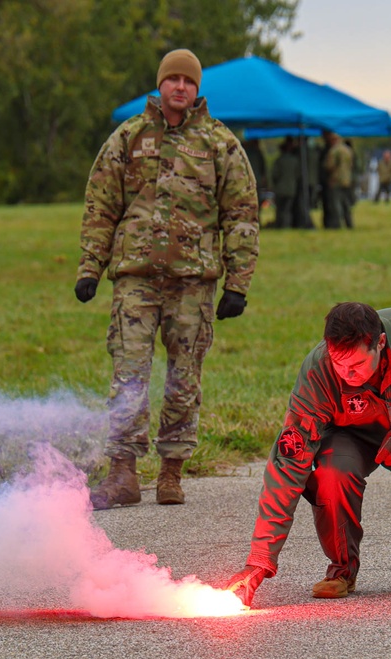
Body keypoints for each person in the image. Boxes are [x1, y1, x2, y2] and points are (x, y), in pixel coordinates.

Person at [74, 48, 260, 510]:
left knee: (184, 378)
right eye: (172, 79)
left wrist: (238, 282)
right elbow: (101, 205)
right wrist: (90, 268)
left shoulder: (220, 144)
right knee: (129, 374)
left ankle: (172, 472)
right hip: (135, 279)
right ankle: (122, 472)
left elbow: (242, 212)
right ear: (160, 84)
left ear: (198, 89)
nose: (180, 87)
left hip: (192, 283)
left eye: (188, 81)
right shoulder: (129, 137)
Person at [226, 302, 391, 607]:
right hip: (349, 434)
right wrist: (260, 560)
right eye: (340, 364)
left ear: (380, 343)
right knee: (332, 474)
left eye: (358, 364)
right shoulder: (318, 372)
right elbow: (287, 465)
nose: (348, 374)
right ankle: (341, 570)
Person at [321, 131, 353, 229]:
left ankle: (336, 224)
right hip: (346, 180)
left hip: (335, 180)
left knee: (335, 204)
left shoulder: (334, 151)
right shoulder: (348, 150)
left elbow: (330, 166)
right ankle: (349, 223)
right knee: (346, 204)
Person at [270, 136, 301, 229]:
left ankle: (279, 224)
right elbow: (298, 175)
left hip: (280, 188)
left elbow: (275, 174)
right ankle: (286, 225)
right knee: (288, 209)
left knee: (280, 209)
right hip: (291, 188)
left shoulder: (279, 160)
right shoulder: (295, 161)